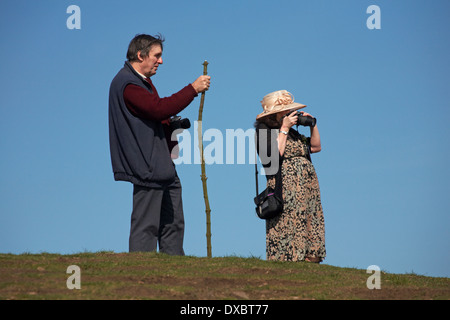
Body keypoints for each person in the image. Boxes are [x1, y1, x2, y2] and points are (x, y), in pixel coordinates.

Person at [108, 34, 211, 255]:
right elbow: (158, 109)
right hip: (147, 167)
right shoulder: (127, 84)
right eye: (157, 55)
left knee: (173, 225)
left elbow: (156, 114)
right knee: (146, 227)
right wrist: (192, 89)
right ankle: (141, 278)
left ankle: (173, 274)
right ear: (140, 55)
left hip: (162, 166)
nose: (160, 61)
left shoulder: (140, 82)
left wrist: (169, 127)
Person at [255, 90, 326, 263]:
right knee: (289, 221)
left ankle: (311, 257)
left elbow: (316, 147)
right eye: (285, 110)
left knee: (310, 218)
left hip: (307, 185)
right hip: (285, 186)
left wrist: (312, 125)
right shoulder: (265, 132)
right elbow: (273, 156)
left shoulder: (294, 133)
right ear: (274, 115)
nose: (289, 113)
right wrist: (285, 128)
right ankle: (289, 258)